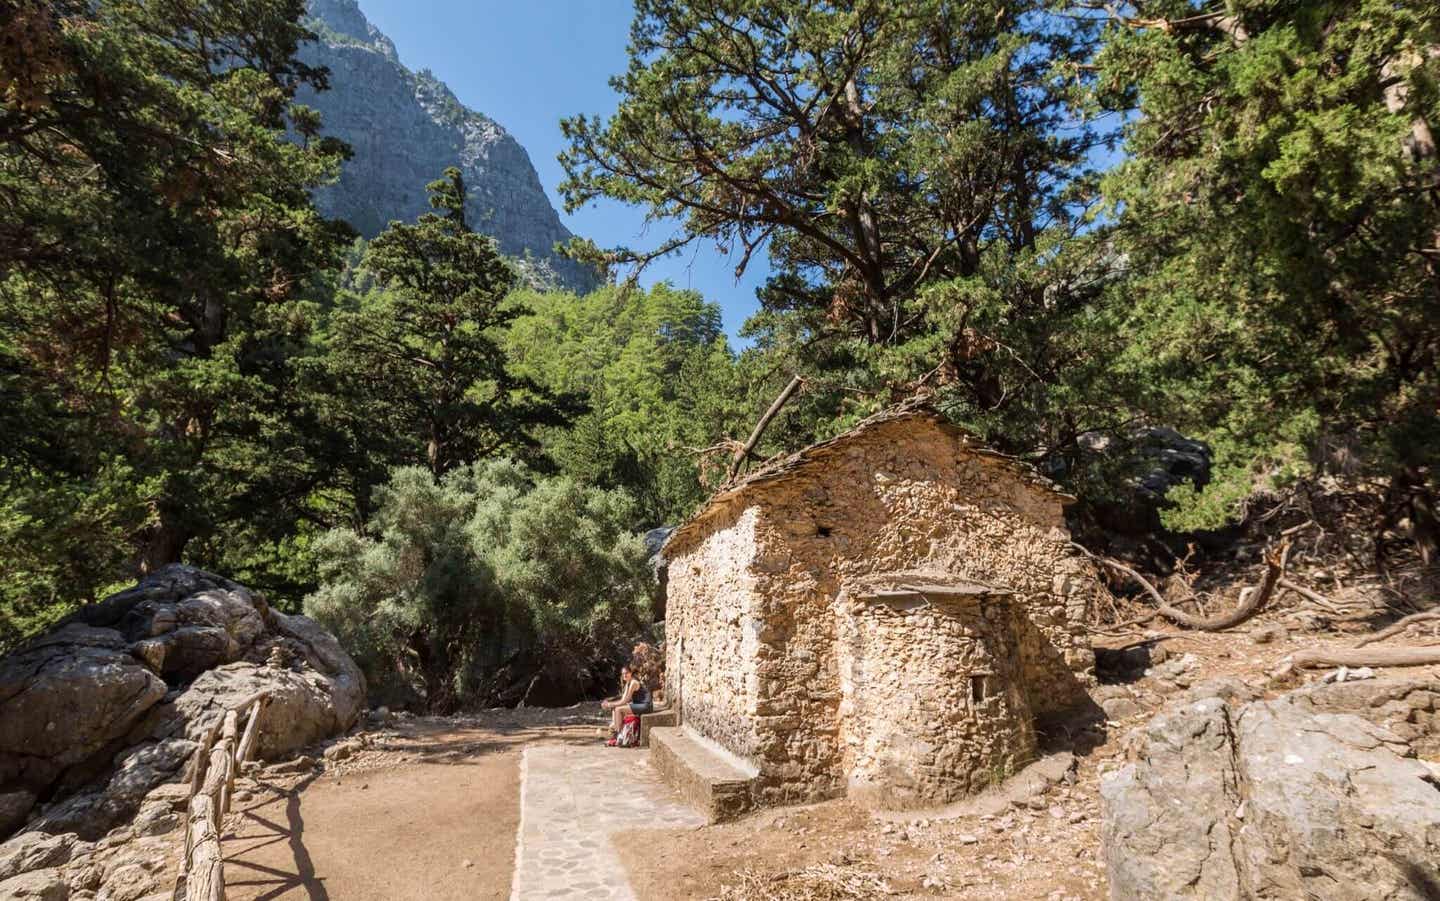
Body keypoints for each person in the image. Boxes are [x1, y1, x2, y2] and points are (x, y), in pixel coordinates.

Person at [601, 665, 651, 739]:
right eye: (623, 674)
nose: (624, 675)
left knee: (618, 709)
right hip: (639, 704)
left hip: (646, 706)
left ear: (630, 673)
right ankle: (616, 729)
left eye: (626, 673)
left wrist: (609, 704)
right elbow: (622, 699)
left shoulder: (633, 683)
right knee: (616, 708)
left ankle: (619, 735)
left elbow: (625, 701)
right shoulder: (628, 683)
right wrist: (610, 704)